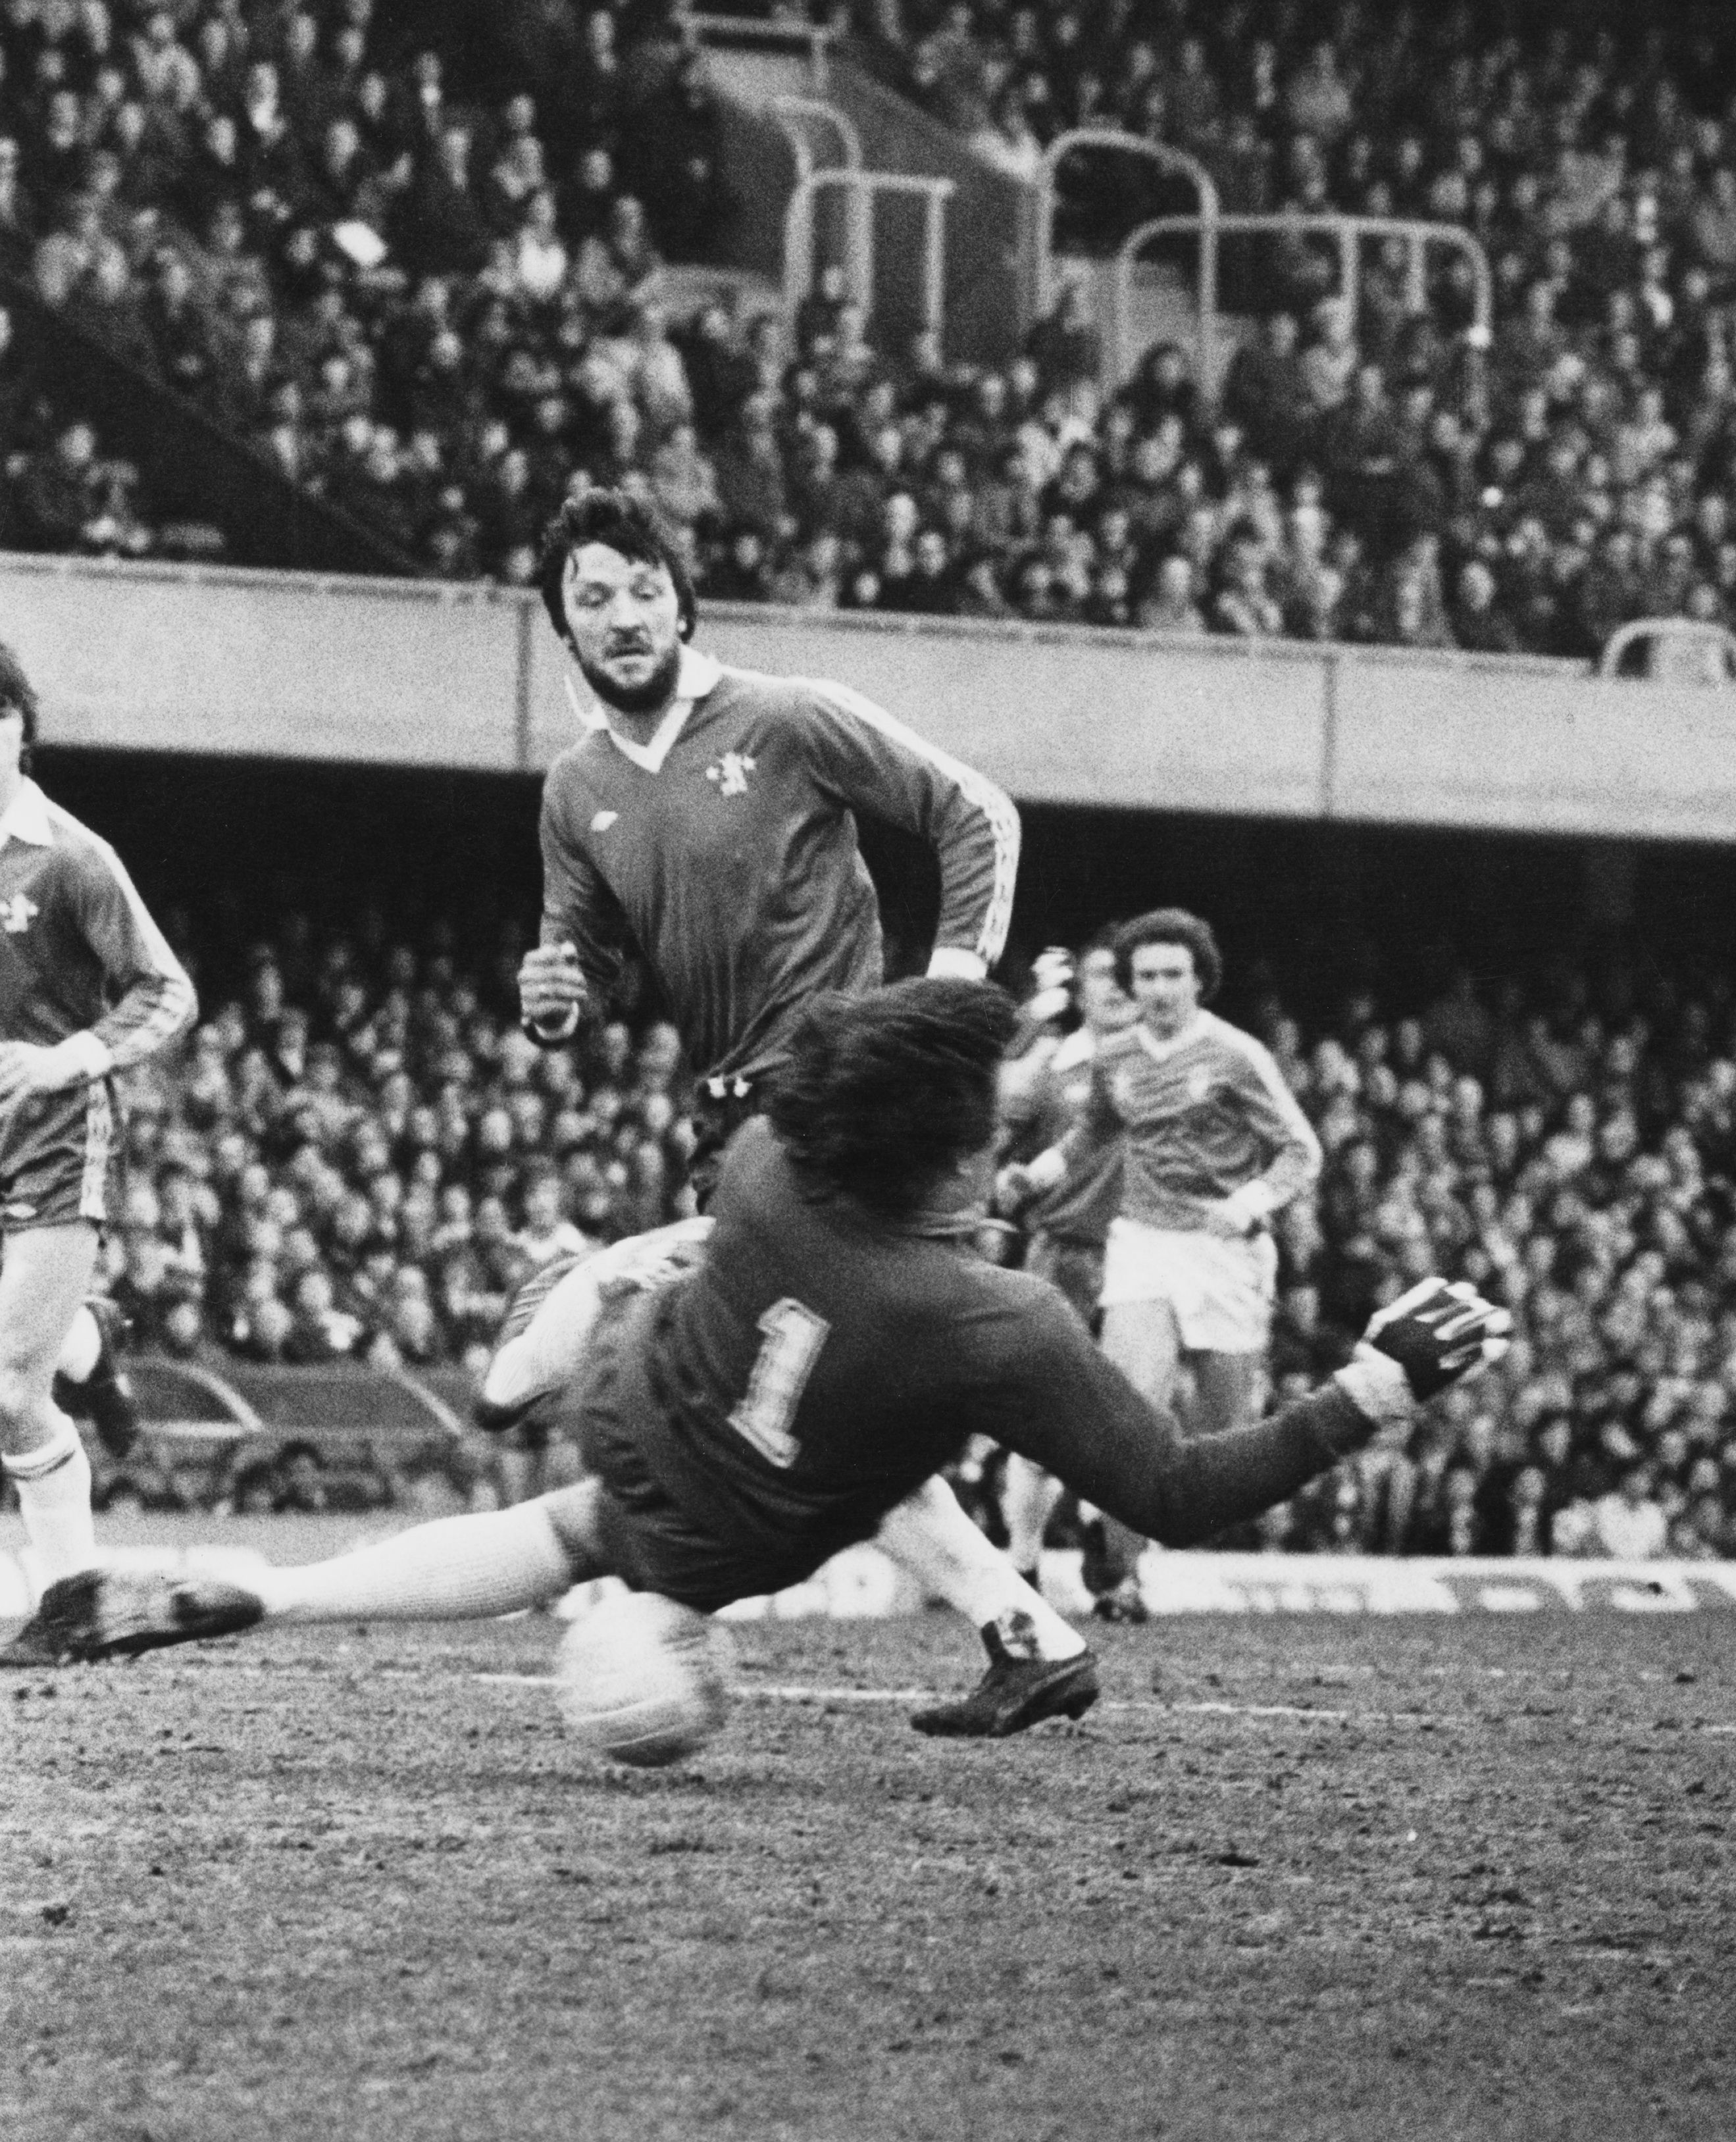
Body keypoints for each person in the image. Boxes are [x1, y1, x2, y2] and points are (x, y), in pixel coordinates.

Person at [22, 981, 1509, 1736]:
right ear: (953, 1149)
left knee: (573, 1494)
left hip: (641, 1403)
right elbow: (1179, 1491)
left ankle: (271, 1585)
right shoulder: (995, 1320)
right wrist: (1371, 1385)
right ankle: (998, 1623)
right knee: (877, 1435)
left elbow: (891, 1092)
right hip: (738, 1529)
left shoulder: (763, 1160)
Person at [507, 486, 1029, 1674]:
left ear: (684, 603)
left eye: (644, 587)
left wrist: (938, 998)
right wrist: (560, 1002)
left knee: (719, 1367)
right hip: (730, 1118)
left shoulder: (785, 717)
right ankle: (1024, 1622)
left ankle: (648, 1582)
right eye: (594, 597)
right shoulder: (574, 789)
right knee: (830, 1403)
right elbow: (587, 969)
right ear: (565, 630)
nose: (624, 612)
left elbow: (975, 817)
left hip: (834, 1096)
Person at [1008, 909, 1319, 1621]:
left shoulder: (1236, 1055)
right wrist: (1040, 1170)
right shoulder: (1116, 1054)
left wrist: (1248, 1202)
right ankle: (1121, 1576)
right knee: (1130, 1413)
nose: (1159, 988)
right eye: (1146, 975)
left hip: (1223, 1252)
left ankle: (1147, 1526)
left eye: (1173, 973)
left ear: (1200, 980)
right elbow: (1095, 1130)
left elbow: (1302, 1150)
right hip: (1143, 1241)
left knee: (1221, 1433)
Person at [0, 644, 196, 1664]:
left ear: (17, 728)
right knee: (21, 1363)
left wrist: (72, 1056)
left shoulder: (72, 858)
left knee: (2, 1390)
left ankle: (73, 1600)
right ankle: (85, 1339)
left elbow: (166, 990)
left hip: (53, 1136)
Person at [991, 930, 1137, 1606]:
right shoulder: (1052, 1065)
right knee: (1047, 1418)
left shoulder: (1163, 1062)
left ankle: (1116, 1571)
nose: (1116, 988)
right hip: (1065, 1253)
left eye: (1126, 976)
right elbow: (996, 1140)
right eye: (1103, 975)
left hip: (1144, 1254)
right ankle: (1021, 1564)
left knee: (1134, 1416)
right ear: (1081, 989)